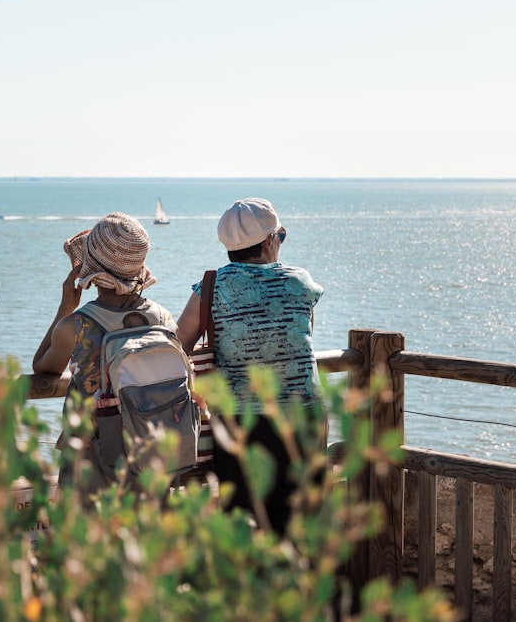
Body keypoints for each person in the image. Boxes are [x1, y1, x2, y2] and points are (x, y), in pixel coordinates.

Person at [176, 198, 325, 535]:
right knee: (302, 525)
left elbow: (179, 345)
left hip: (242, 423)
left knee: (247, 525)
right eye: (281, 236)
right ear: (270, 241)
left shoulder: (211, 290)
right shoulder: (299, 281)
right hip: (303, 419)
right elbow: (305, 333)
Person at [32, 212, 178, 497]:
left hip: (91, 460)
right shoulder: (162, 318)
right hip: (149, 455)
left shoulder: (75, 326)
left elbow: (42, 366)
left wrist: (66, 306)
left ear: (90, 272)